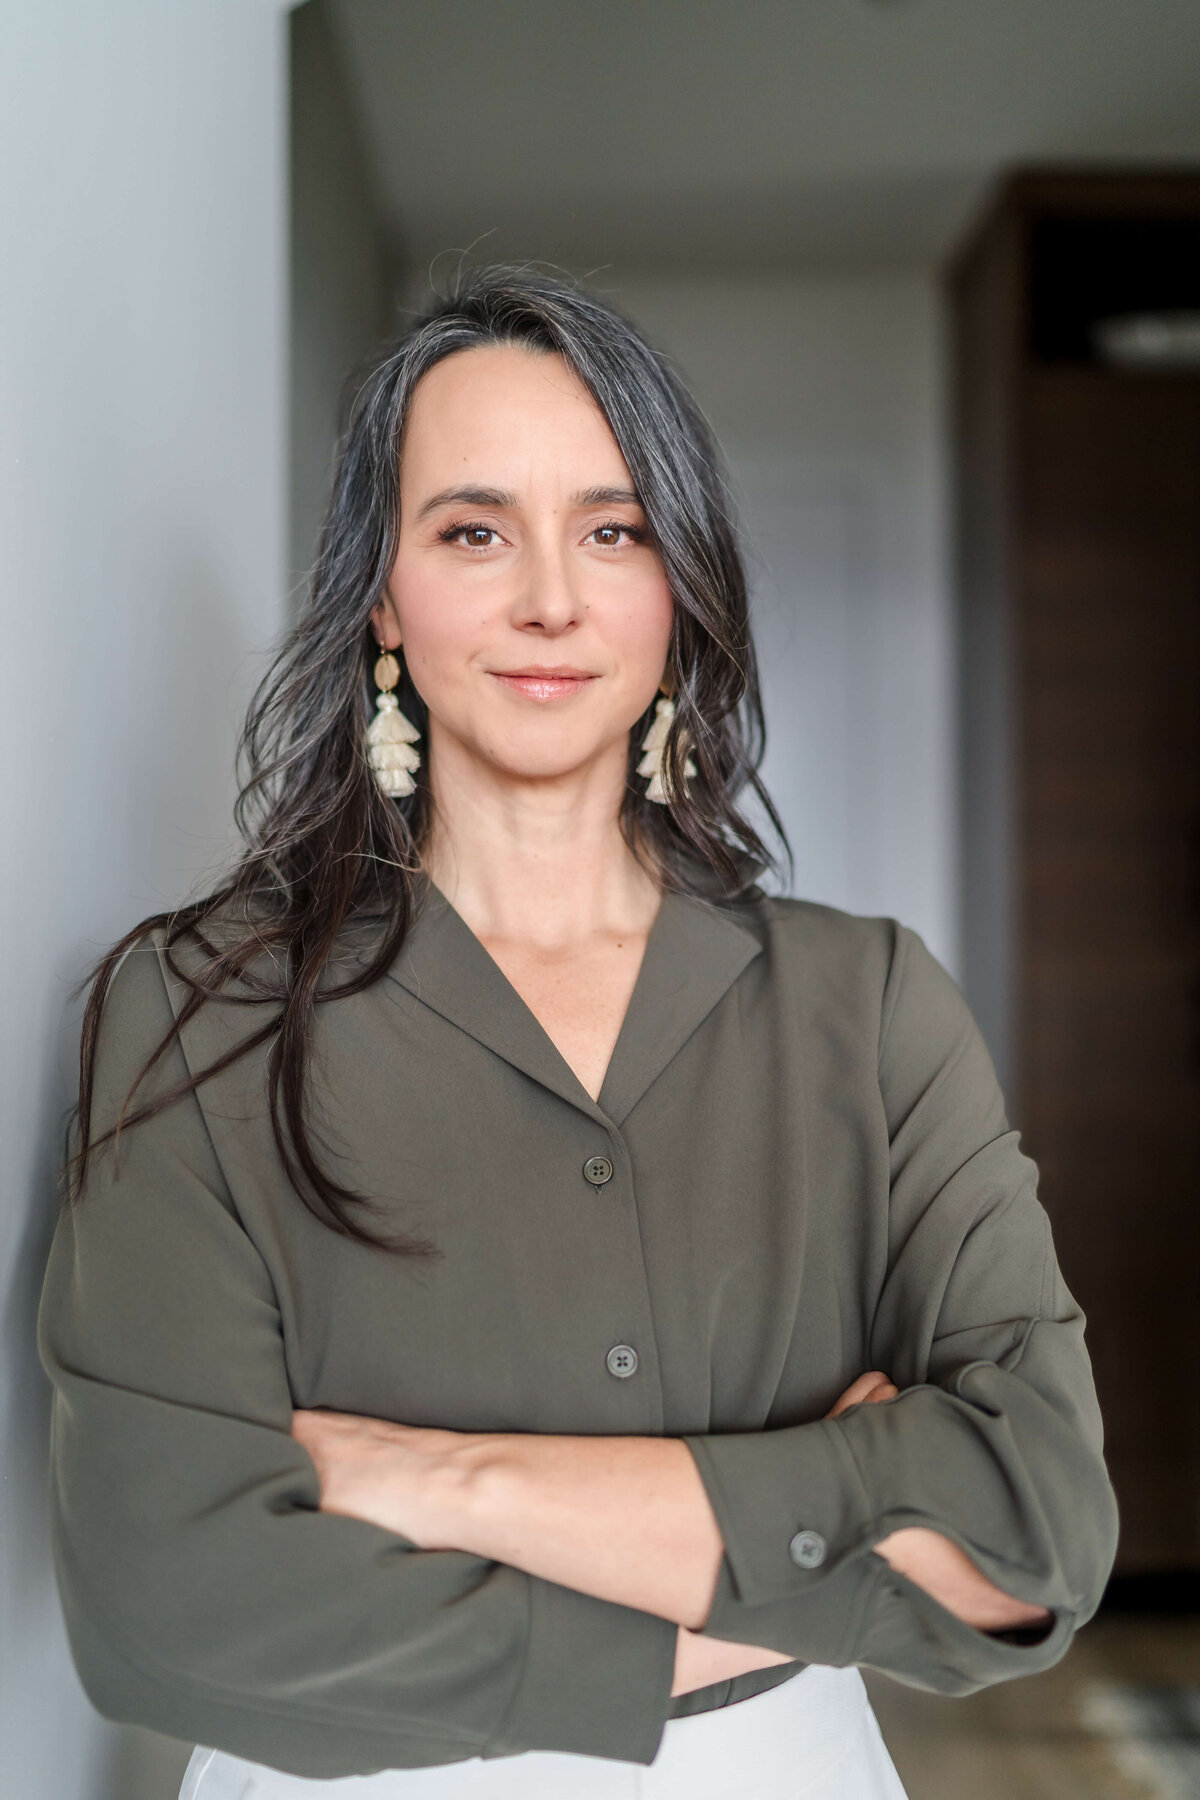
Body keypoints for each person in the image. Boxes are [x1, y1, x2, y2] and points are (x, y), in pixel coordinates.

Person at [37, 267, 1119, 1800]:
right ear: (380, 597)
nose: (551, 596)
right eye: (474, 530)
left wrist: (443, 1480)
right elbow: (167, 1613)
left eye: (612, 530)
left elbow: (1040, 1527)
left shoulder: (868, 1007)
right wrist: (821, 1558)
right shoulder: (198, 1016)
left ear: (676, 588)